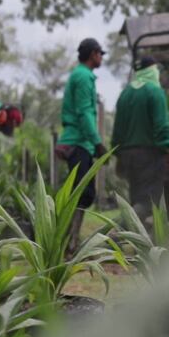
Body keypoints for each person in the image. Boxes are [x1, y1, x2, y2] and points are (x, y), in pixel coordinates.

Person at [111, 56, 169, 221]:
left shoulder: (125, 93)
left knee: (137, 199)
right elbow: (162, 129)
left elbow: (117, 133)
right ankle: (112, 232)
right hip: (148, 156)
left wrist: (118, 157)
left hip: (128, 156)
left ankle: (139, 243)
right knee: (148, 203)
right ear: (153, 71)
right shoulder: (154, 91)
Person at [57, 37, 108, 252]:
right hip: (78, 141)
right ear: (93, 54)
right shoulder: (84, 77)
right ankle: (67, 244)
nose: (101, 58)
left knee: (82, 194)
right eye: (100, 54)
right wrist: (97, 142)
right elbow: (84, 113)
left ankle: (71, 242)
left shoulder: (80, 75)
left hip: (79, 142)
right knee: (81, 194)